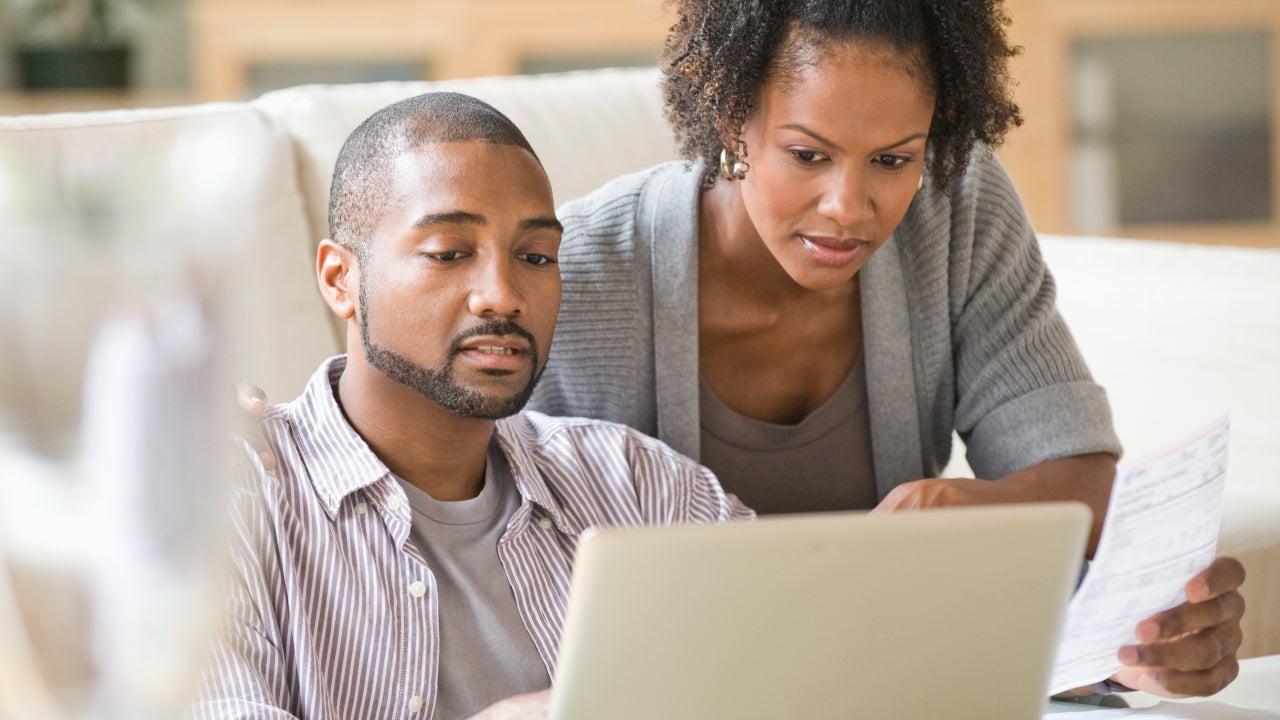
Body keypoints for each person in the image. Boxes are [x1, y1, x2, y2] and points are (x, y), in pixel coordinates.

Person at [239, 0, 1246, 701]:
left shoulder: (957, 214)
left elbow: (1067, 484)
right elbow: (430, 436)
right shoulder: (567, 282)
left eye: (893, 160)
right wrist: (265, 439)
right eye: (806, 154)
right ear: (729, 119)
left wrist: (1107, 645)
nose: (849, 207)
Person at [196, 91, 752, 720]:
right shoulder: (230, 500)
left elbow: (796, 662)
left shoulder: (642, 487)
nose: (503, 295)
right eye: (449, 253)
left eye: (535, 257)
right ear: (339, 279)